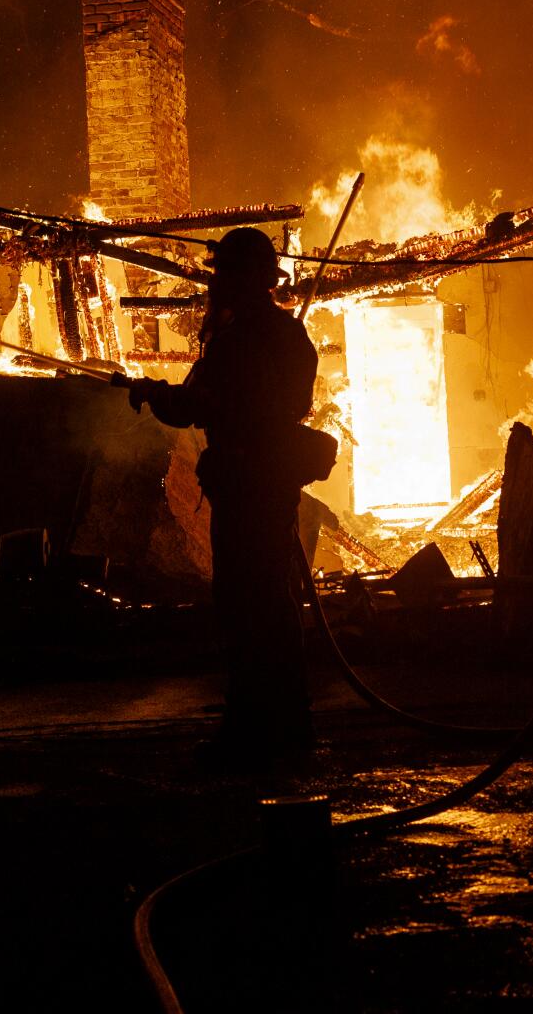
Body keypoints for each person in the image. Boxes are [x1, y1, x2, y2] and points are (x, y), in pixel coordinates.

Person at [125, 227, 321, 765]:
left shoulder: (238, 341)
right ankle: (288, 722)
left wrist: (151, 393)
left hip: (245, 484)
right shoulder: (286, 336)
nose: (215, 282)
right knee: (271, 602)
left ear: (242, 277)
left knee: (245, 605)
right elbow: (286, 402)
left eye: (222, 272)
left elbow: (198, 406)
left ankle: (252, 730)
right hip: (271, 482)